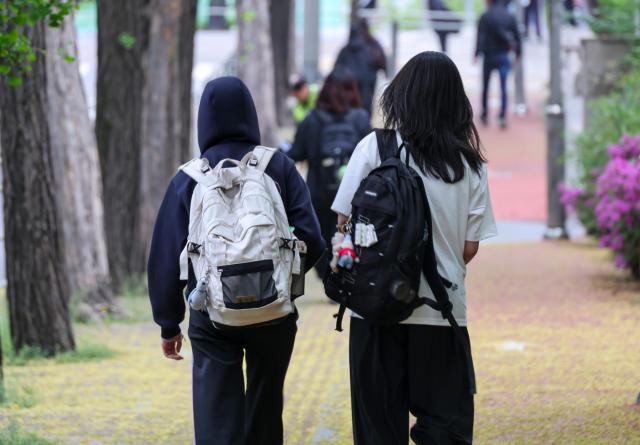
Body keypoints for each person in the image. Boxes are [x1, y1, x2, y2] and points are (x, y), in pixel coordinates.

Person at [147, 77, 325, 445]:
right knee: (264, 409)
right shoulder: (279, 167)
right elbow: (313, 239)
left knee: (216, 416)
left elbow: (165, 258)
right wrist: (279, 276)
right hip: (274, 313)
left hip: (211, 316)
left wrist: (169, 325)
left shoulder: (188, 179)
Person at [331, 52, 497, 445]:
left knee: (377, 432)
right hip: (441, 314)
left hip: (375, 311)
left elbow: (343, 221)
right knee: (445, 429)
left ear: (401, 95)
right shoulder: (470, 164)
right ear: (456, 103)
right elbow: (468, 248)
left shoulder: (376, 148)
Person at [287, 68, 370, 279]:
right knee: (353, 236)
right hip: (354, 195)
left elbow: (296, 153)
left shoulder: (311, 120)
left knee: (322, 238)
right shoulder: (360, 119)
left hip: (320, 192)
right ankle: (349, 277)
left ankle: (329, 279)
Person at [475, 0, 522, 129]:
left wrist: (476, 53)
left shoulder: (485, 16)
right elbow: (517, 36)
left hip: (488, 56)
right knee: (503, 87)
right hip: (503, 55)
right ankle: (502, 116)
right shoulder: (509, 15)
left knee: (485, 86)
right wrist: (518, 53)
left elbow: (480, 37)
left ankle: (485, 113)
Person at [335, 18, 386, 116]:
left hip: (348, 92)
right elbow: (381, 61)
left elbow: (336, 70)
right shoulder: (370, 48)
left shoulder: (344, 51)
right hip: (366, 89)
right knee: (365, 111)